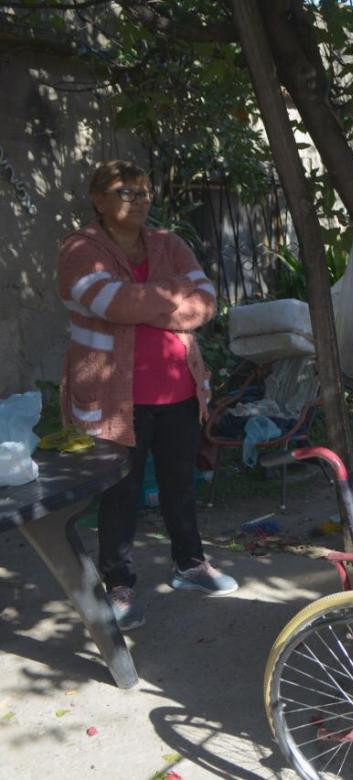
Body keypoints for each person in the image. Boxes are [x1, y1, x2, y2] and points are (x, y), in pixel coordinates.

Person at [56, 160, 237, 632]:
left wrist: (140, 302)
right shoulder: (80, 249)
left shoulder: (168, 243)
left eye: (144, 191)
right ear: (98, 199)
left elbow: (205, 301)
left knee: (180, 483)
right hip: (117, 398)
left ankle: (189, 564)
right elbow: (110, 303)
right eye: (125, 191)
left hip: (178, 389)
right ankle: (119, 584)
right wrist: (168, 296)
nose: (139, 199)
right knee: (121, 492)